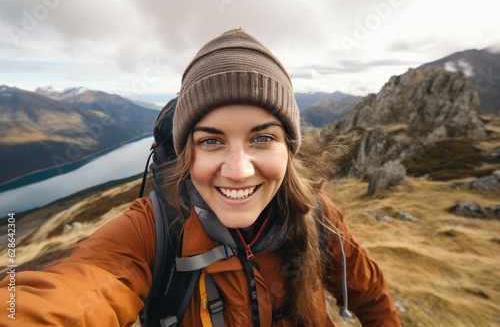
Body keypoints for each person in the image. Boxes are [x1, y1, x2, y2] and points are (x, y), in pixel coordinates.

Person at [0, 28, 401, 326]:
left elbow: (371, 296)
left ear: (289, 148)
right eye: (211, 141)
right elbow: (72, 296)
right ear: (186, 153)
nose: (240, 169)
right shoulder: (152, 231)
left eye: (263, 137)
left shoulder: (317, 214)